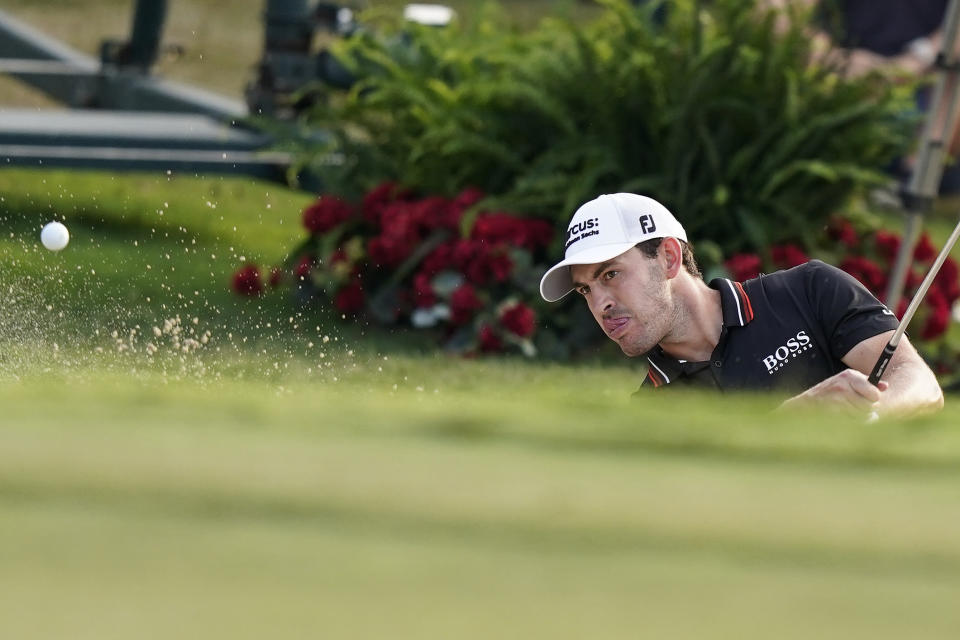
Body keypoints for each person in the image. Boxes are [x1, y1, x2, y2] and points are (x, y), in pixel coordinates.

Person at [539, 193, 944, 417]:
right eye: (585, 290)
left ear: (668, 258)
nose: (601, 304)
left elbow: (920, 383)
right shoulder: (652, 412)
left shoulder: (808, 289)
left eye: (610, 274)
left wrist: (872, 417)